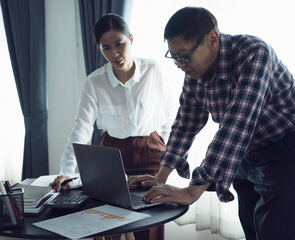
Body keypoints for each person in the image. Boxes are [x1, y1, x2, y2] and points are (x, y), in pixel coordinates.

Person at [128, 7, 295, 240]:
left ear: (212, 39)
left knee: (275, 233)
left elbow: (236, 125)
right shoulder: (194, 71)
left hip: (284, 151)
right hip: (244, 156)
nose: (179, 64)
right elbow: (185, 123)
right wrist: (161, 175)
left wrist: (191, 191)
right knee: (252, 232)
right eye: (173, 56)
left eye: (184, 55)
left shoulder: (254, 54)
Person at [50, 13, 176, 240]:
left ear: (131, 39)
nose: (115, 53)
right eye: (106, 48)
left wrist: (163, 143)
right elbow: (81, 128)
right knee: (109, 225)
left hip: (151, 152)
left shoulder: (153, 70)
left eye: (120, 44)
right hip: (110, 156)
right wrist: (66, 172)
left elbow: (170, 114)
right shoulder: (94, 81)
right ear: (100, 50)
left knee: (150, 222)